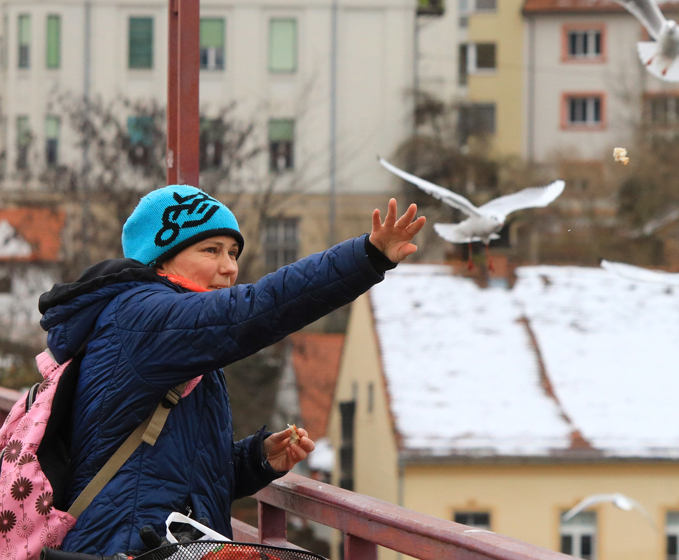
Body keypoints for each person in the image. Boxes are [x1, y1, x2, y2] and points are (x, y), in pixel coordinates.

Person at [37, 185, 425, 555]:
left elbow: (165, 474)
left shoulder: (169, 334)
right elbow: (258, 308)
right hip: (127, 547)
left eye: (233, 253)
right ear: (160, 258)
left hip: (148, 543)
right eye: (212, 250)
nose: (229, 268)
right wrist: (367, 256)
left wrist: (255, 461)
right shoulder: (144, 317)